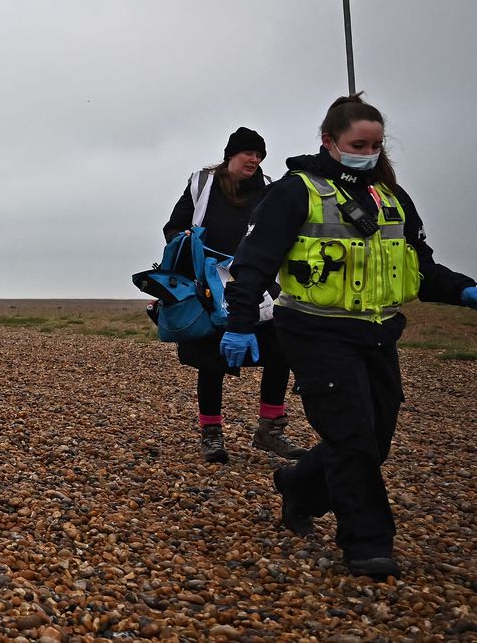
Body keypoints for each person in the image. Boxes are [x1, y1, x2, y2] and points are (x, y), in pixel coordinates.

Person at [223, 96, 477, 579]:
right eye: (358, 144)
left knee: (374, 440)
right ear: (329, 142)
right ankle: (367, 542)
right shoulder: (297, 192)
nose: (369, 152)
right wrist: (238, 325)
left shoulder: (391, 198)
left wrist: (464, 289)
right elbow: (252, 263)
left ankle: (298, 486)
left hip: (378, 334)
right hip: (315, 332)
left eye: (376, 145)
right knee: (351, 436)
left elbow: (419, 268)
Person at [162, 127, 307, 464]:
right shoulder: (202, 184)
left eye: (259, 155)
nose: (254, 159)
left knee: (279, 351)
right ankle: (211, 435)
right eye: (248, 153)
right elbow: (173, 226)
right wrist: (182, 237)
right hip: (210, 286)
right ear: (231, 155)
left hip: (259, 283)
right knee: (211, 361)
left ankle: (270, 429)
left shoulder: (270, 190)